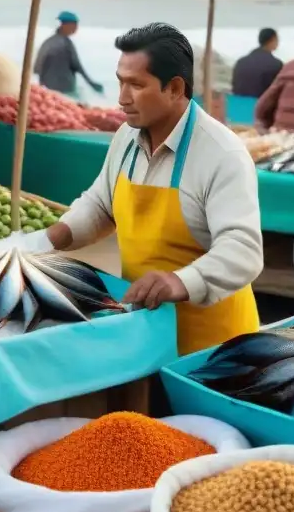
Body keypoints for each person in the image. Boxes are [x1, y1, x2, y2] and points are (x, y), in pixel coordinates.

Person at [16, 23, 263, 356]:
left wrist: (179, 281)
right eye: (120, 81)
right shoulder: (127, 137)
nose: (121, 98)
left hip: (210, 342)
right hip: (144, 327)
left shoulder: (222, 153)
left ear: (175, 88)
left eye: (135, 85)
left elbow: (243, 250)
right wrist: (47, 240)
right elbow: (101, 205)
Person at [33, 11, 104, 98]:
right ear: (66, 25)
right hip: (65, 90)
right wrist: (92, 84)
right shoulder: (66, 43)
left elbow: (36, 69)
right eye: (75, 25)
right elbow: (77, 66)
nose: (76, 28)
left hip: (46, 91)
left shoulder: (47, 42)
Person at [231, 28, 282, 98]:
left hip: (237, 106)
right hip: (260, 106)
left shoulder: (240, 62)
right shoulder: (275, 64)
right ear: (273, 40)